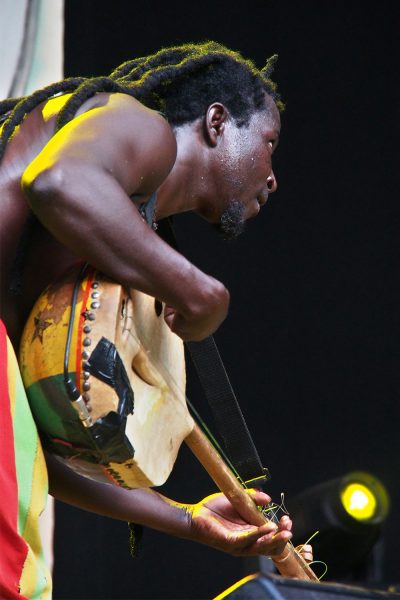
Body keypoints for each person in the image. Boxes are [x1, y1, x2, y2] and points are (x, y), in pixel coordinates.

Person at [0, 42, 303, 598]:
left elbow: (33, 448)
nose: (272, 177)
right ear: (216, 122)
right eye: (269, 144)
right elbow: (58, 181)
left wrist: (187, 520)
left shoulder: (113, 237)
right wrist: (199, 290)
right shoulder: (142, 128)